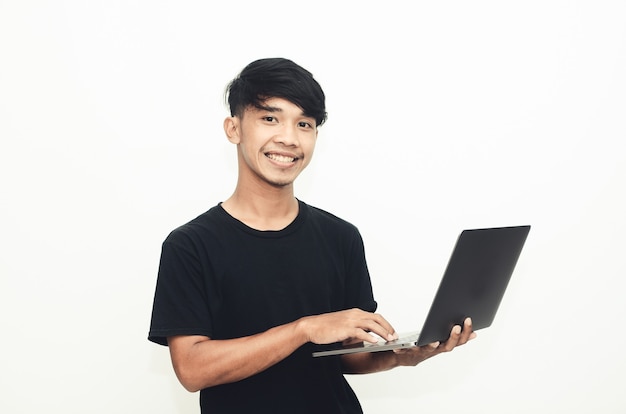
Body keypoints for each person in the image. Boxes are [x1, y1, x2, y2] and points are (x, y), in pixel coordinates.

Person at [148, 57, 476, 413]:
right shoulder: (191, 245)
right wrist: (303, 329)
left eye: (304, 123)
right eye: (270, 118)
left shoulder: (341, 237)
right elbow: (193, 370)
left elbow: (343, 358)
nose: (288, 138)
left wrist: (403, 356)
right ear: (234, 128)